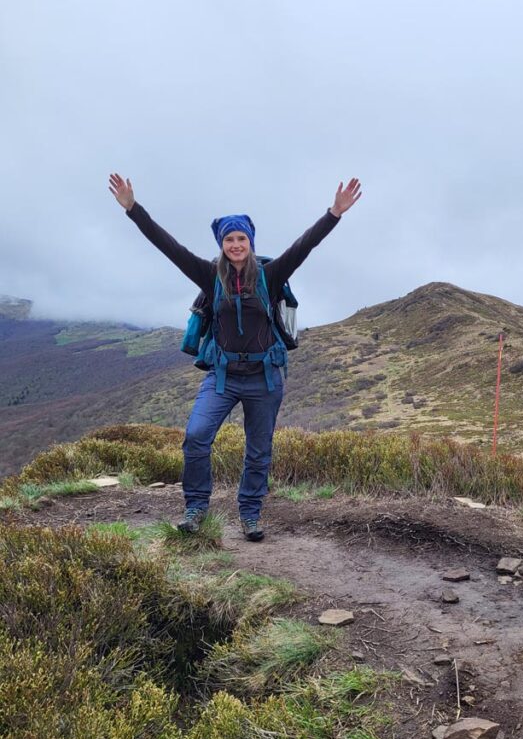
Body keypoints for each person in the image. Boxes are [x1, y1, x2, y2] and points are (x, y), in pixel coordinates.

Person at [108, 173, 362, 540]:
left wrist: (333, 214)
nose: (236, 244)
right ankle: (196, 507)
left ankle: (251, 514)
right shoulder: (209, 276)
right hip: (223, 375)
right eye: (230, 239)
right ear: (222, 243)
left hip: (264, 376)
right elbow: (168, 247)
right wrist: (133, 209)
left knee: (258, 450)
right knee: (196, 436)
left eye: (241, 238)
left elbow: (305, 246)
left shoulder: (271, 275)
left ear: (250, 242)